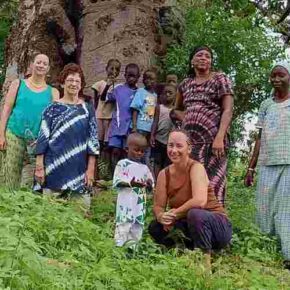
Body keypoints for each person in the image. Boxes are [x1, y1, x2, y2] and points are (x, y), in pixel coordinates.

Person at [149, 129, 232, 267]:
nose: (174, 150)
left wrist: (174, 214)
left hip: (217, 226)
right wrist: (162, 216)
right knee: (155, 227)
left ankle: (204, 264)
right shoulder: (164, 174)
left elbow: (199, 201)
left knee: (195, 214)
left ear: (189, 148)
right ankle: (182, 255)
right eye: (170, 145)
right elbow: (158, 206)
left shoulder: (196, 168)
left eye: (179, 146)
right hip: (189, 223)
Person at [171, 46, 233, 205]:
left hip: (214, 142)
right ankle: (189, 224)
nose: (204, 58)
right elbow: (176, 110)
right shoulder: (185, 84)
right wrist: (188, 117)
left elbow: (228, 109)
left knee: (213, 183)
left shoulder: (220, 79)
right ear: (192, 61)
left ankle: (214, 223)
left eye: (208, 56)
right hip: (190, 143)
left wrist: (219, 138)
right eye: (199, 55)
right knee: (190, 183)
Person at [34, 63, 99, 209]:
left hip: (79, 172)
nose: (74, 84)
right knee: (51, 216)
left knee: (79, 218)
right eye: (70, 80)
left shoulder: (87, 110)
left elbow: (93, 141)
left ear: (81, 85)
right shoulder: (51, 109)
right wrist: (39, 167)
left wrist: (90, 170)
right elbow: (42, 139)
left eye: (77, 81)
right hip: (53, 170)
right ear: (63, 83)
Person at [245, 61, 290, 269]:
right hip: (266, 163)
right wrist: (251, 167)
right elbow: (259, 137)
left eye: (281, 75)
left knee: (285, 210)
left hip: (288, 163)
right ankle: (264, 252)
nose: (276, 79)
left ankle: (287, 255)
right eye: (273, 76)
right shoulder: (266, 105)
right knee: (263, 209)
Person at [0, 53, 59, 189]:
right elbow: (6, 109)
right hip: (14, 134)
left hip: (37, 141)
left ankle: (23, 208)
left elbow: (54, 121)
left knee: (30, 181)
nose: (41, 65)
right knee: (9, 175)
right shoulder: (18, 84)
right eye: (38, 62)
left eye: (45, 63)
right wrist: (1, 134)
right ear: (32, 64)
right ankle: (6, 206)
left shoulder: (53, 92)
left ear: (48, 69)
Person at [113, 132, 154, 247]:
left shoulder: (145, 168)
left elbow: (151, 185)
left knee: (137, 227)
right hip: (125, 204)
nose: (139, 153)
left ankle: (132, 252)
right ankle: (118, 249)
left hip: (139, 205)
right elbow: (117, 181)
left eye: (142, 151)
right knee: (123, 226)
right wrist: (130, 183)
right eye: (136, 150)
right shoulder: (122, 164)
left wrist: (150, 184)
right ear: (127, 149)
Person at [107, 63, 140, 171]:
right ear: (125, 75)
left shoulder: (139, 93)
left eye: (133, 76)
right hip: (117, 126)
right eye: (128, 75)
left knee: (127, 154)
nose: (130, 78)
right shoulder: (118, 89)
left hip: (130, 129)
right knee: (115, 151)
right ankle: (113, 179)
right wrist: (108, 85)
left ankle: (125, 177)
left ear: (138, 77)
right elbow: (105, 98)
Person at [92, 59, 121, 151]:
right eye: (111, 68)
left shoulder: (119, 86)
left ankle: (104, 163)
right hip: (99, 116)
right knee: (98, 140)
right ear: (106, 68)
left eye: (117, 69)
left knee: (107, 143)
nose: (114, 71)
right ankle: (97, 161)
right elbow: (97, 100)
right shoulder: (99, 84)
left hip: (110, 118)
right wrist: (107, 86)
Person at [130, 70, 157, 166]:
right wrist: (134, 126)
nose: (149, 81)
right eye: (146, 78)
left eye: (152, 79)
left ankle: (144, 174)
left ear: (156, 80)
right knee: (136, 151)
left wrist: (153, 133)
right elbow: (135, 110)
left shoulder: (155, 96)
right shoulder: (141, 92)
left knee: (146, 153)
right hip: (139, 128)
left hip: (149, 131)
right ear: (143, 80)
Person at [150, 84, 176, 178]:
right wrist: (152, 136)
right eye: (165, 93)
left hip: (170, 141)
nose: (167, 94)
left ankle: (165, 182)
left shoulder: (176, 110)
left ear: (175, 96)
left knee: (168, 162)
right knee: (157, 161)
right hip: (158, 139)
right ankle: (157, 182)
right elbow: (155, 122)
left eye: (170, 93)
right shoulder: (159, 107)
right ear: (161, 95)